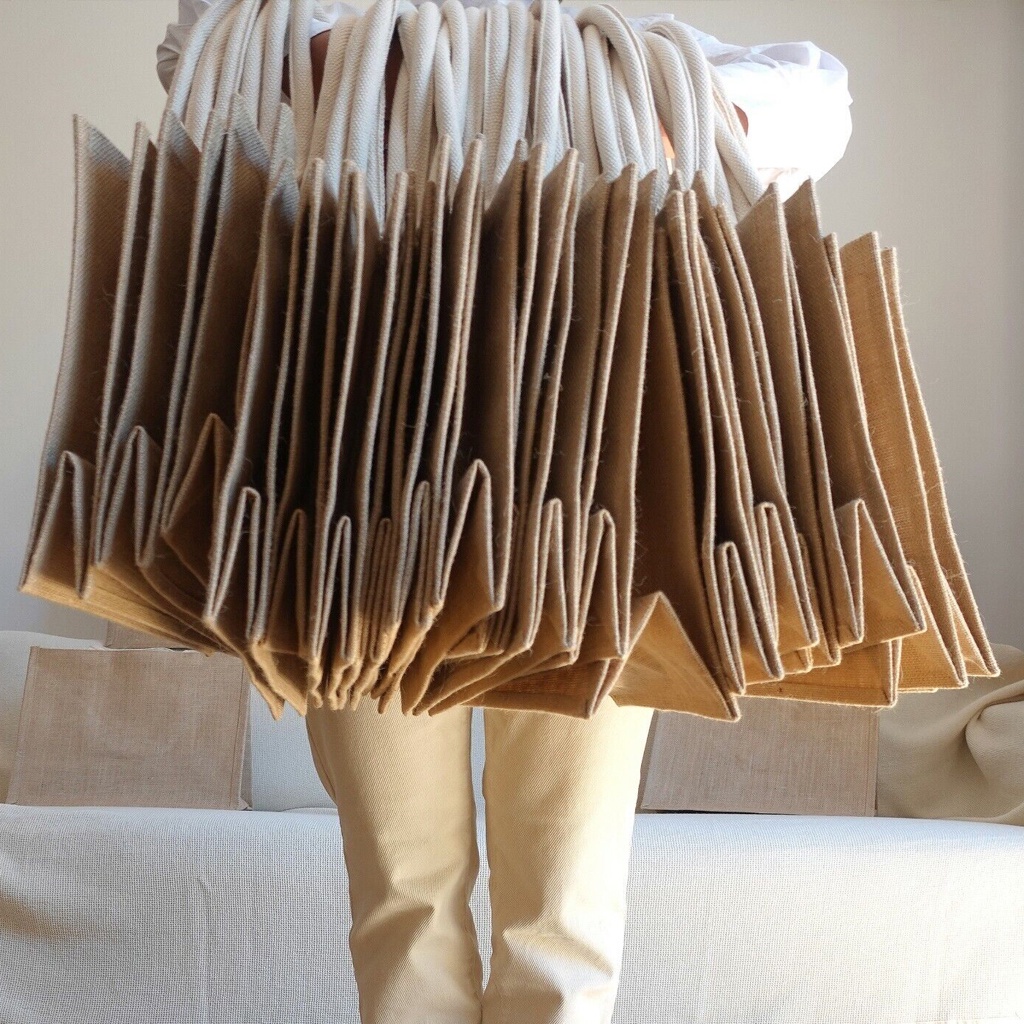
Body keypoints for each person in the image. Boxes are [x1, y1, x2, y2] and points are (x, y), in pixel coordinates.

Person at [157, 3, 852, 1021]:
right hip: (356, 445)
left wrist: (651, 105)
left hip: (594, 457)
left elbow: (818, 101)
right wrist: (535, 83)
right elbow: (226, 56)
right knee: (401, 886)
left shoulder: (609, 33)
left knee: (566, 901)